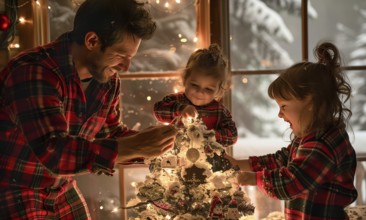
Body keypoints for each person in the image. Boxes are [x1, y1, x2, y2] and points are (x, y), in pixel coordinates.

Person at [0, 0, 177, 219]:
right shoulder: (33, 72)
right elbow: (54, 152)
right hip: (14, 188)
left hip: (61, 189)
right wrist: (135, 146)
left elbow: (109, 134)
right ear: (92, 41)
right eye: (121, 55)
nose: (125, 67)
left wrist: (159, 146)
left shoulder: (107, 81)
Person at [225, 42, 358, 219]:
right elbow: (280, 160)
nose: (280, 114)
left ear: (310, 102)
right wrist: (236, 163)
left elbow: (291, 182)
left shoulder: (322, 145)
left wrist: (253, 178)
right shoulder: (310, 136)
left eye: (284, 106)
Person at [153, 43, 237, 147]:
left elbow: (232, 136)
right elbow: (158, 110)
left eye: (208, 89)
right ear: (185, 80)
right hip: (177, 160)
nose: (200, 92)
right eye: (194, 85)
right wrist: (181, 109)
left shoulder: (219, 111)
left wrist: (208, 136)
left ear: (218, 90)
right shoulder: (177, 100)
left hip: (209, 161)